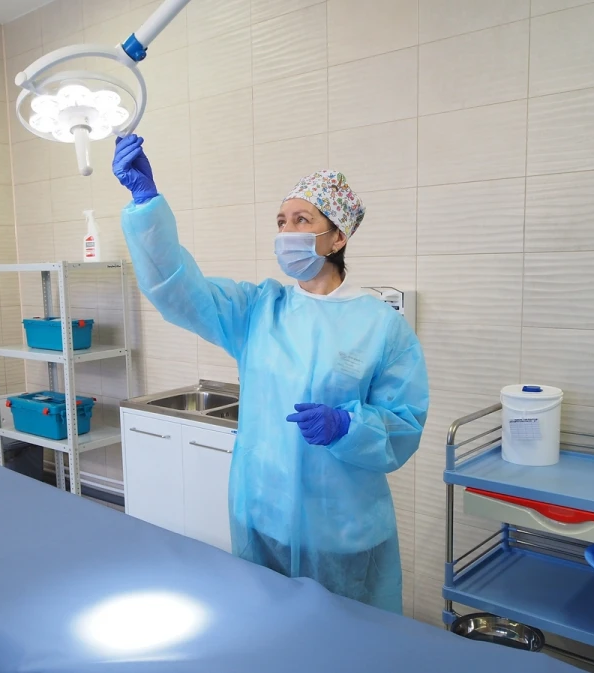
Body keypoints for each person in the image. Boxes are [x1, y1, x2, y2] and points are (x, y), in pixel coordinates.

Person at [112, 134, 429, 614]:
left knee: (346, 641)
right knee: (266, 633)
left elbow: (403, 424)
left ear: (338, 237)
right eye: (282, 221)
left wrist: (348, 426)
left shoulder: (381, 326)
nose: (287, 232)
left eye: (303, 220)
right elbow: (179, 290)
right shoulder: (259, 309)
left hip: (340, 532)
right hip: (262, 517)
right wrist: (146, 206)